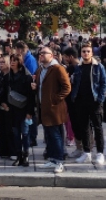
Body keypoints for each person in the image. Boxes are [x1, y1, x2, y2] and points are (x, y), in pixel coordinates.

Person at [34, 45, 71, 174]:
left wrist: (55, 99)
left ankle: (59, 161)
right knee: (49, 135)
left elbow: (67, 87)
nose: (41, 55)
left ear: (52, 55)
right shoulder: (40, 69)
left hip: (54, 108)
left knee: (56, 135)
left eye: (44, 53)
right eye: (40, 53)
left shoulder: (57, 69)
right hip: (43, 108)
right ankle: (52, 158)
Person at [70, 44, 106, 165]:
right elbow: (74, 83)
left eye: (88, 51)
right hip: (81, 102)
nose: (86, 53)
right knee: (84, 128)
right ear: (81, 53)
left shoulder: (98, 67)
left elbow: (104, 84)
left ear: (92, 53)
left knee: (98, 127)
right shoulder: (78, 68)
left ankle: (100, 153)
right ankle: (86, 152)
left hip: (95, 101)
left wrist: (100, 99)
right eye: (83, 51)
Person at [3, 53, 35, 167]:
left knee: (25, 133)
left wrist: (30, 112)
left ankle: (26, 155)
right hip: (12, 110)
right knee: (15, 133)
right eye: (11, 60)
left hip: (24, 109)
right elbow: (4, 93)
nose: (12, 62)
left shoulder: (27, 77)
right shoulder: (7, 77)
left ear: (19, 62)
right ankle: (18, 155)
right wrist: (4, 105)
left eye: (15, 60)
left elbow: (31, 96)